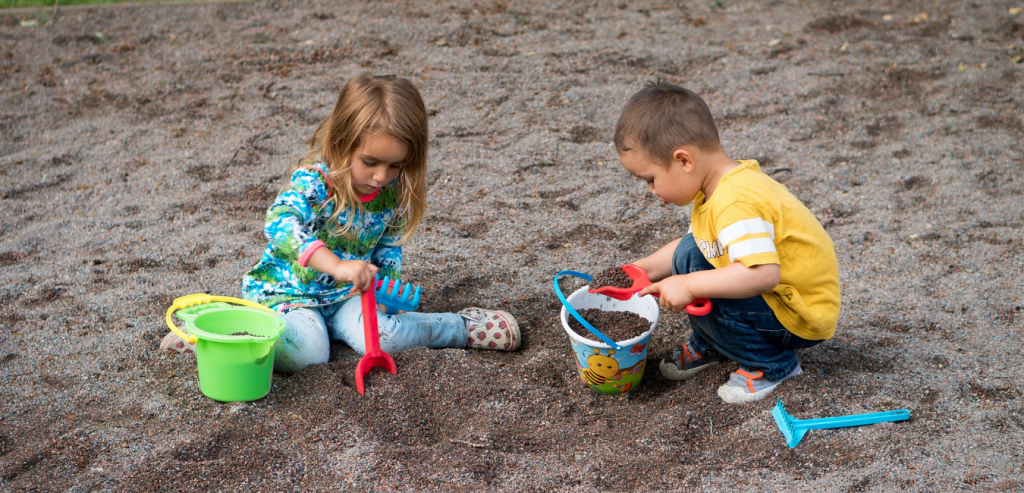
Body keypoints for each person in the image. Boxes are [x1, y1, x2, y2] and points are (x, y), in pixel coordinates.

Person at [160, 73, 520, 372]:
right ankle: (217, 336)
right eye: (371, 161)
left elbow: (387, 247)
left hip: (348, 295)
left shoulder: (393, 192)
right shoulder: (316, 182)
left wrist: (383, 290)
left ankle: (463, 328)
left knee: (384, 338)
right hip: (291, 295)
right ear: (341, 142)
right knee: (307, 355)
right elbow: (279, 223)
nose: (382, 176)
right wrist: (336, 265)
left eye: (395, 165)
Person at [613, 80, 840, 404]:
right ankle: (716, 342)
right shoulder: (721, 184)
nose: (651, 190)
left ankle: (772, 365)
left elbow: (762, 274)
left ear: (683, 161)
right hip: (781, 298)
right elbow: (695, 245)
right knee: (692, 255)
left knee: (698, 277)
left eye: (651, 179)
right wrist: (642, 269)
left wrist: (690, 285)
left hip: (798, 314)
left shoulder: (734, 203)